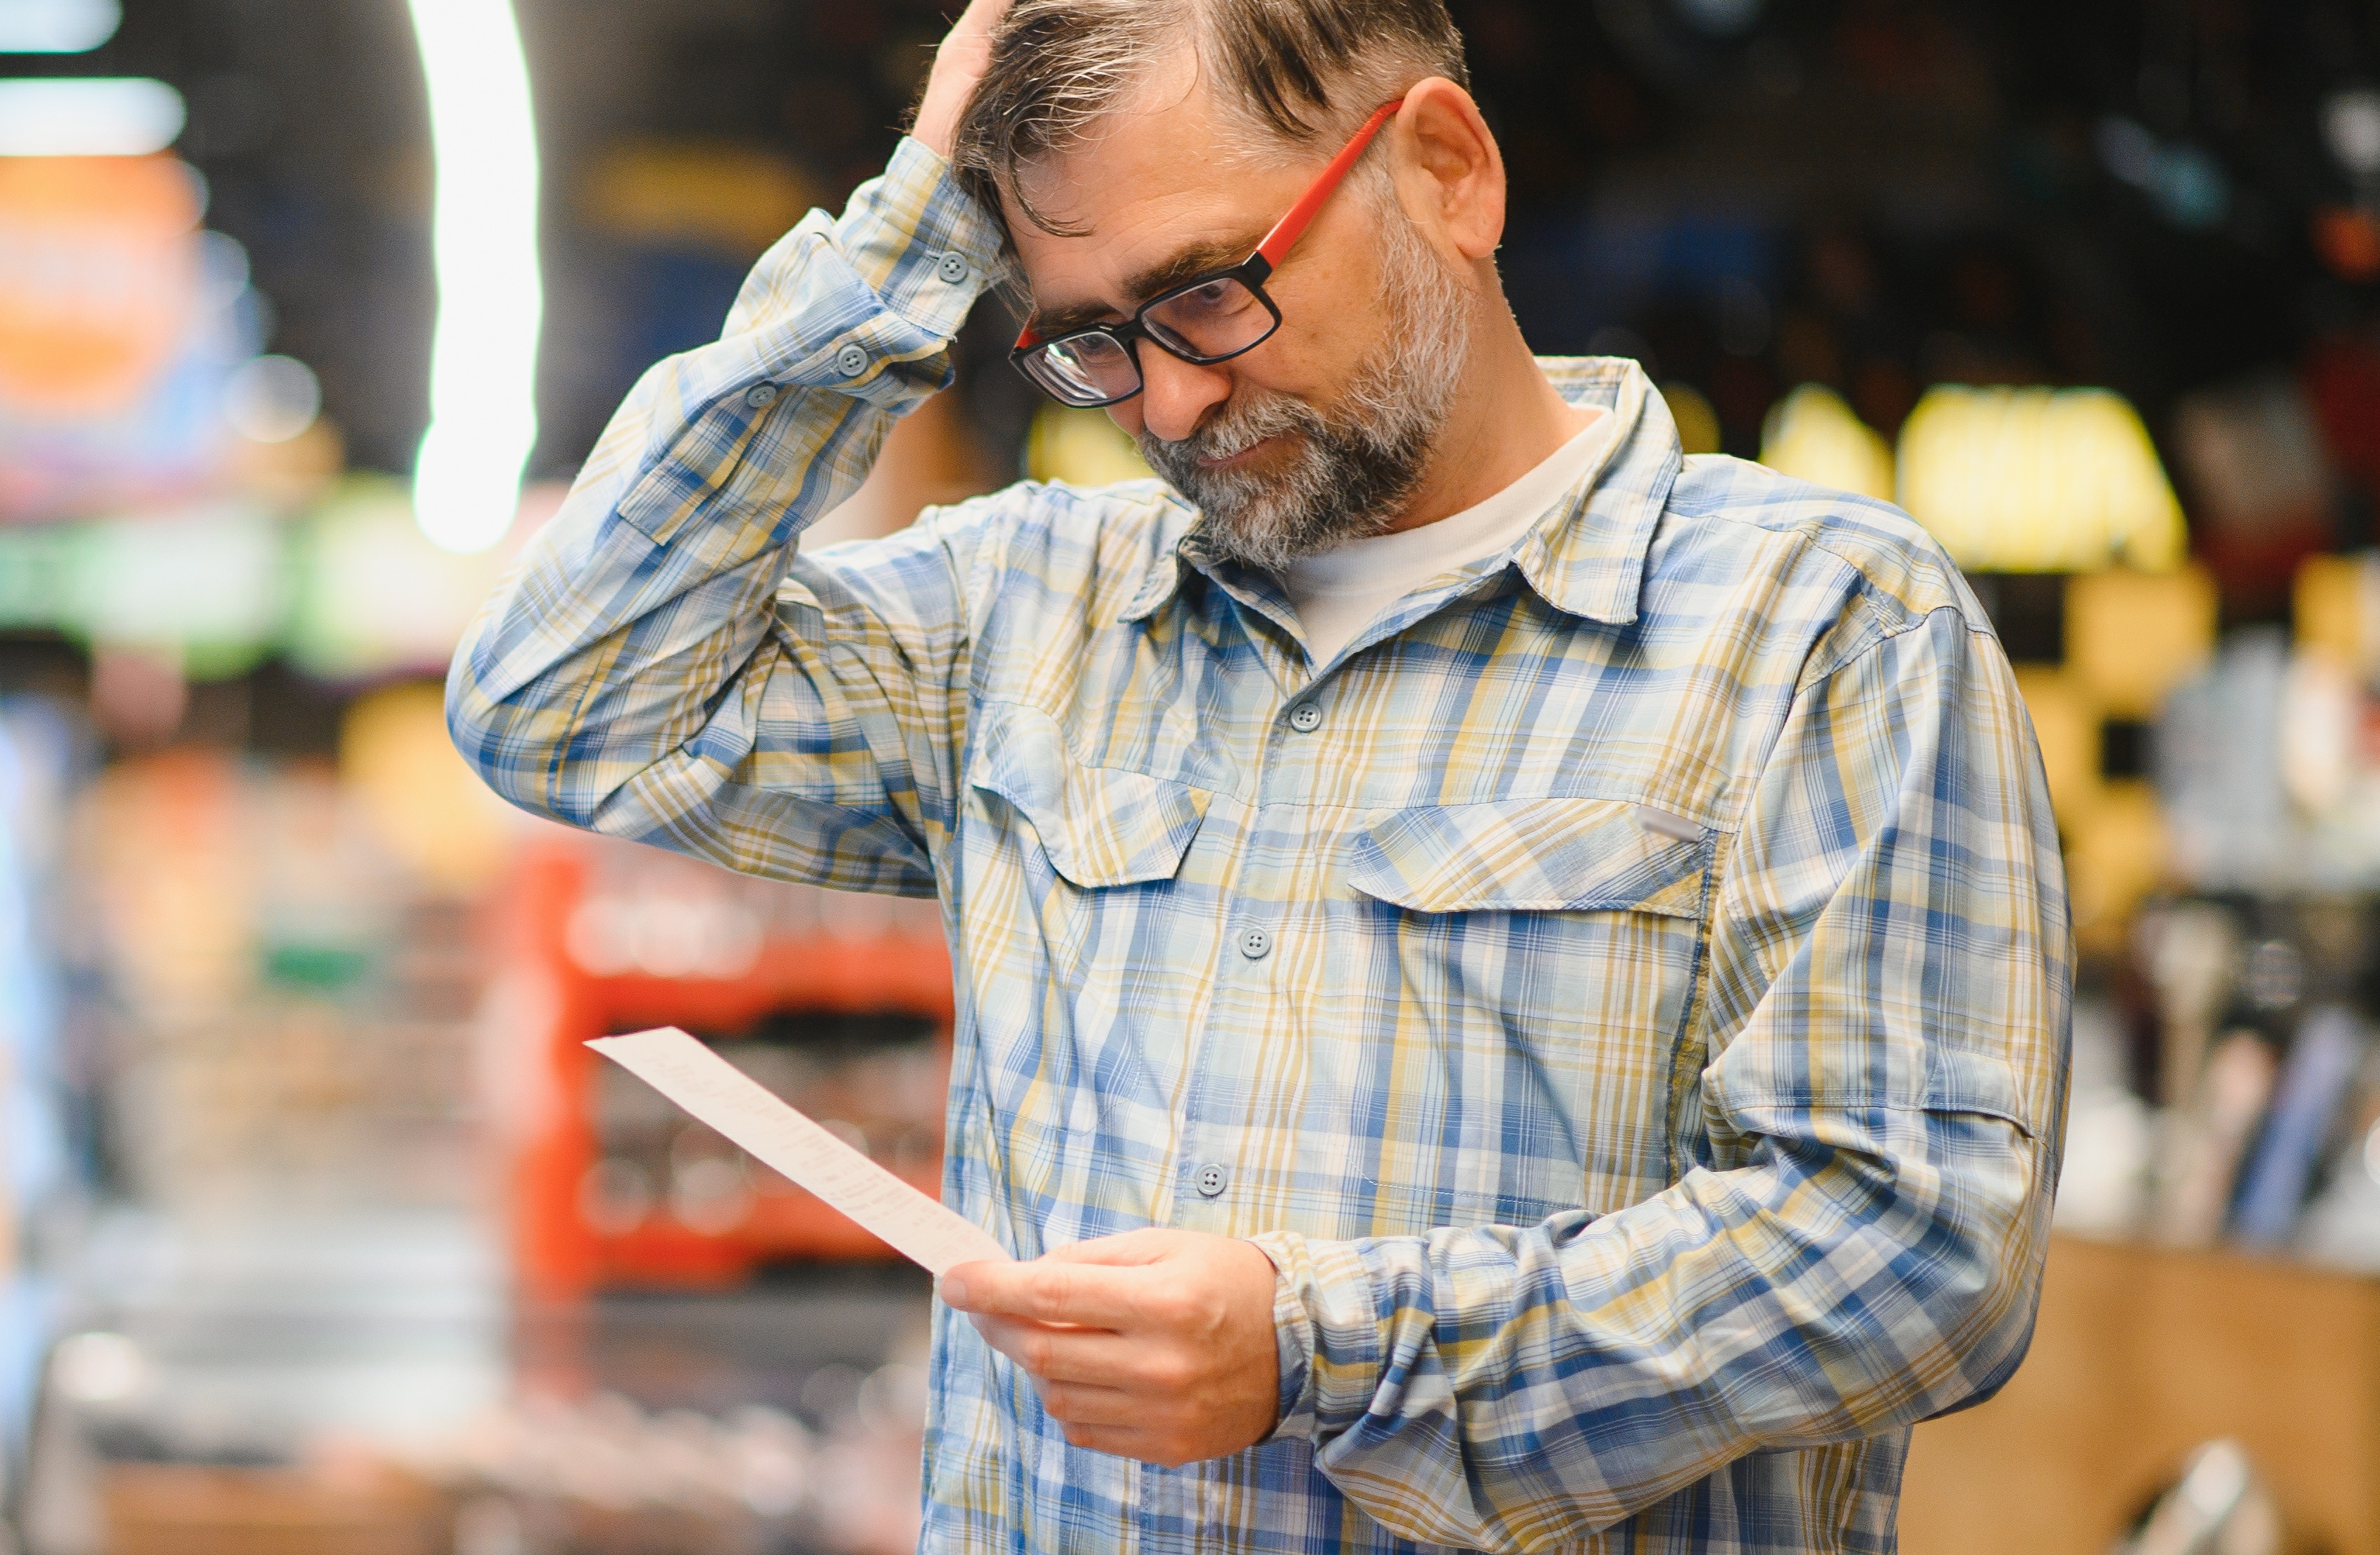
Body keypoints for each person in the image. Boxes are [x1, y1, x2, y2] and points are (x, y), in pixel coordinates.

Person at [446, 0, 2068, 1549]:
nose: (1167, 396)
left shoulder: (1815, 627)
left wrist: (1320, 1349)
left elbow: (1916, 1246)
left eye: (1210, 291)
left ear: (1447, 170)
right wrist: (908, 239)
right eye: (1088, 340)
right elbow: (562, 698)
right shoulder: (1031, 614)